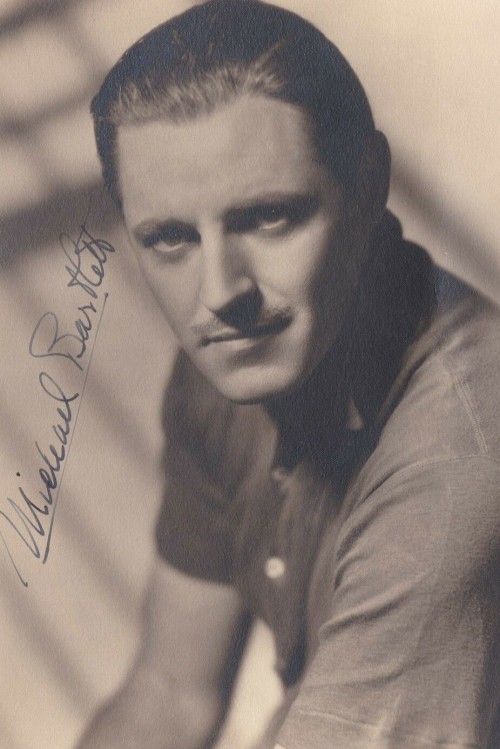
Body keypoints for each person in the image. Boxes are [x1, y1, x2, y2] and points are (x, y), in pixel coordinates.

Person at [78, 1, 500, 747]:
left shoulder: (458, 446)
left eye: (269, 216)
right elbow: (170, 693)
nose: (220, 292)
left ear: (368, 186)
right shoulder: (235, 364)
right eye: (170, 238)